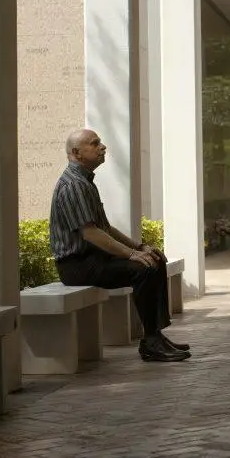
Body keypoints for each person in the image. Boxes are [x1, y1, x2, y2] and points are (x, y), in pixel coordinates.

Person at [48, 128, 190, 362]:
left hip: (93, 259)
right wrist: (132, 254)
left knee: (154, 259)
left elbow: (105, 227)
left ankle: (155, 336)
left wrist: (141, 247)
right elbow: (91, 234)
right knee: (143, 269)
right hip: (77, 265)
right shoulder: (74, 185)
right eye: (95, 144)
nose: (102, 147)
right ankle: (152, 342)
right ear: (76, 153)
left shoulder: (85, 182)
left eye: (100, 142)